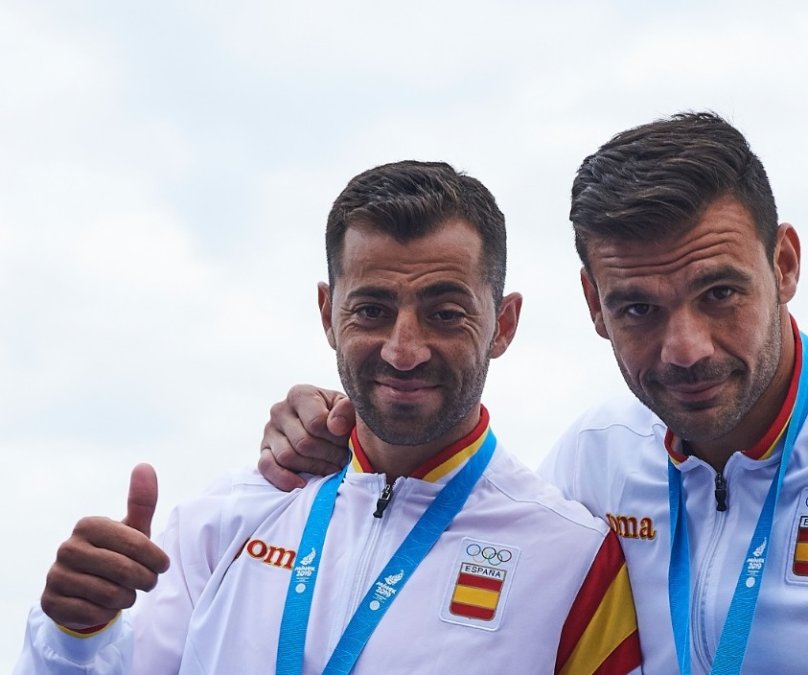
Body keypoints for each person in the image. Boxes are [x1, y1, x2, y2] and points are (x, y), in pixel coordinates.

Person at [259, 113, 808, 672]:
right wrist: (342, 443)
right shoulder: (589, 464)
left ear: (785, 264)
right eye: (638, 307)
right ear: (593, 305)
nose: (685, 348)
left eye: (719, 292)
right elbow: (448, 542)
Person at [17, 161, 641, 674]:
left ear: (503, 324)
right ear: (327, 313)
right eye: (371, 310)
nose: (403, 350)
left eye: (445, 313)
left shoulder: (573, 560)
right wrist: (74, 636)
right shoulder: (221, 523)